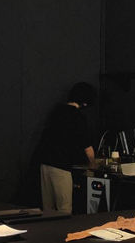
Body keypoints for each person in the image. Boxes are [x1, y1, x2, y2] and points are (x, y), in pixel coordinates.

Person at [38, 82, 96, 212]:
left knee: (48, 209)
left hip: (44, 163)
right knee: (64, 209)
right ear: (85, 102)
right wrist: (92, 165)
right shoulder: (78, 117)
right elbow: (87, 147)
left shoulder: (56, 111)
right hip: (61, 165)